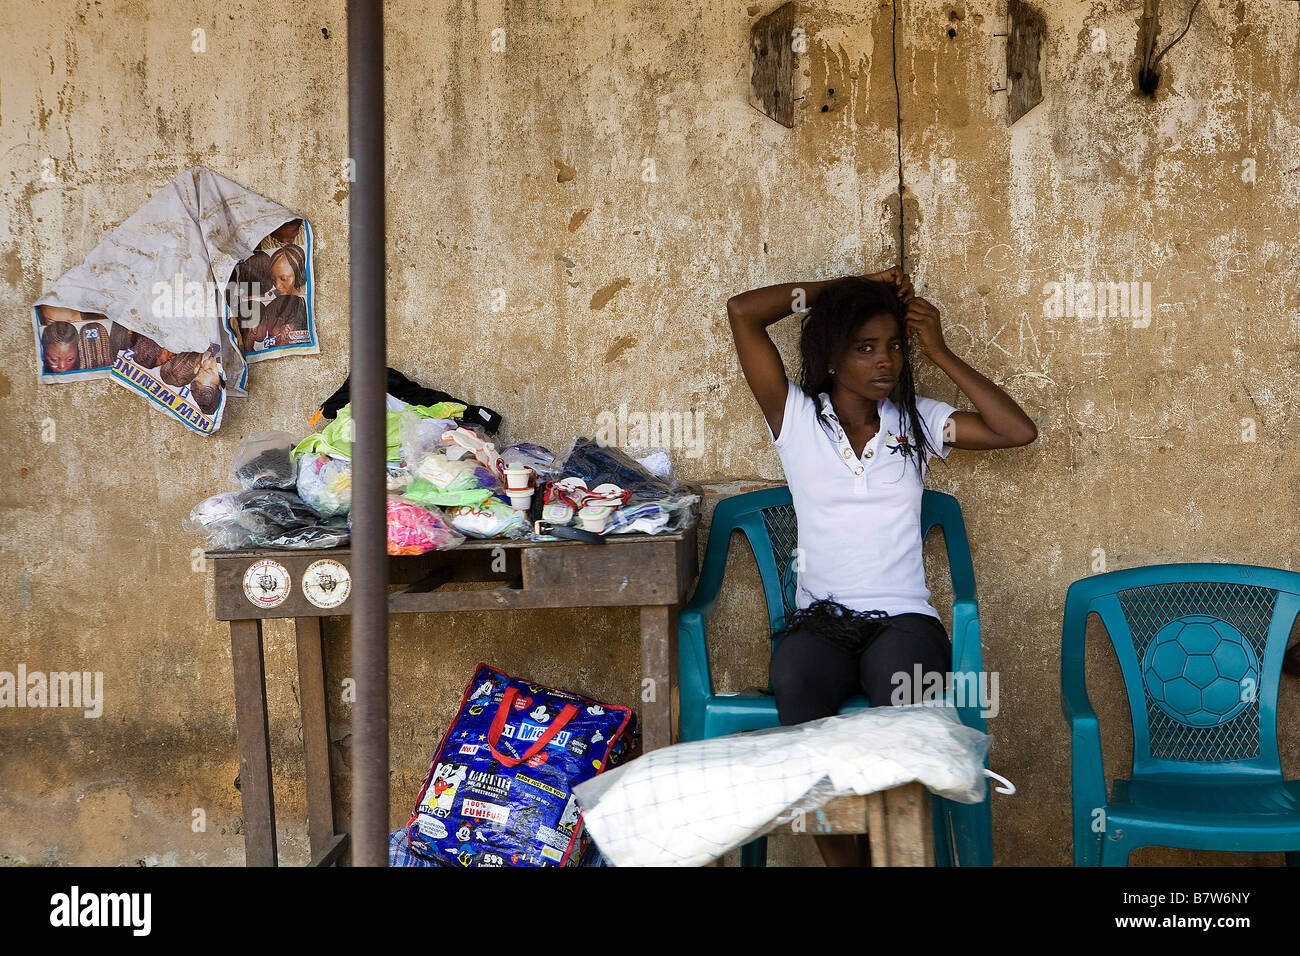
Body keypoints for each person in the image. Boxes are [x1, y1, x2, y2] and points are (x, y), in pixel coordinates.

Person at [726, 267, 1037, 867]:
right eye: (865, 348)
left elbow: (1016, 430)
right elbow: (743, 311)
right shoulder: (795, 417)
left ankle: (894, 854)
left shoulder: (916, 421)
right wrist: (844, 288)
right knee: (798, 697)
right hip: (822, 619)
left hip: (904, 619)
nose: (885, 361)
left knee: (903, 713)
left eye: (894, 346)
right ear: (832, 356)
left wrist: (940, 352)